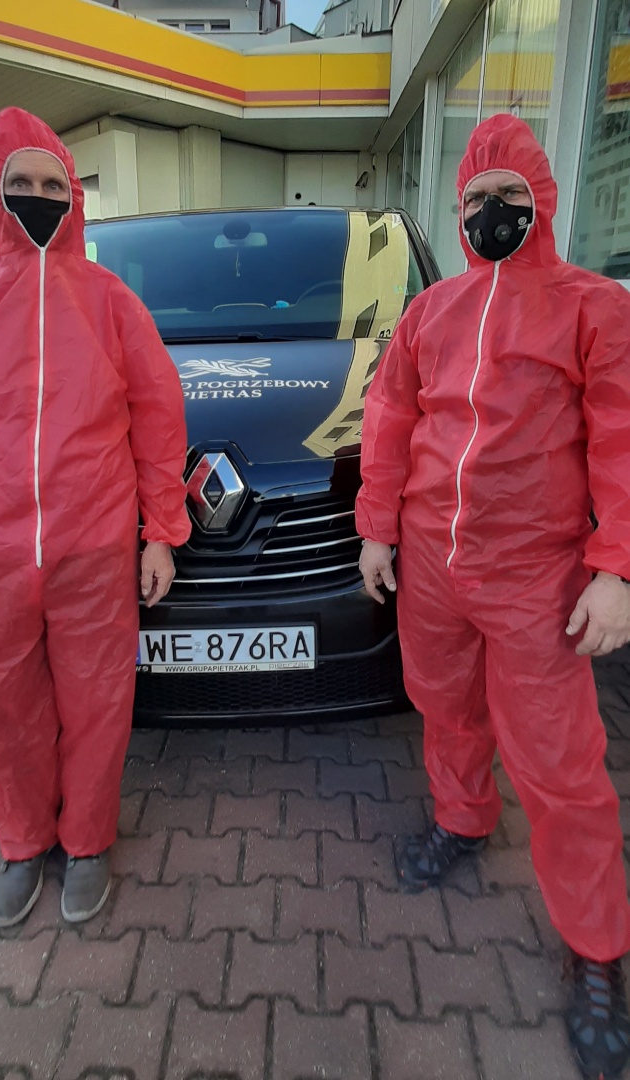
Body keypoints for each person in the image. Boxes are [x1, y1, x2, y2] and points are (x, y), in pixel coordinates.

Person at [357, 113, 630, 1080]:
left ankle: (596, 950)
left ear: (541, 201)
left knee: (560, 763)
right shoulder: (431, 314)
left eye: (508, 196)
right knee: (446, 708)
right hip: (433, 564)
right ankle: (463, 818)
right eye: (476, 198)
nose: (491, 212)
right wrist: (378, 528)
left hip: (535, 575)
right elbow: (390, 415)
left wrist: (616, 569)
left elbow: (621, 438)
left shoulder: (593, 308)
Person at [0, 108, 190, 928]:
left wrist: (161, 533)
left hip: (94, 550)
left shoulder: (112, 304)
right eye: (20, 182)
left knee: (98, 702)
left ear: (75, 195)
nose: (37, 196)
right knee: (2, 708)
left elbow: (158, 421)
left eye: (53, 184)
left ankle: (86, 842)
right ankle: (23, 843)